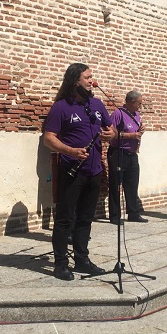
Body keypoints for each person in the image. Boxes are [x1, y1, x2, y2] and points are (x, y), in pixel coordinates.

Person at [43, 63, 116, 281]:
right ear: (76, 80)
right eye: (88, 77)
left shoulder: (96, 104)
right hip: (71, 171)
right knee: (65, 218)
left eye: (92, 77)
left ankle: (82, 259)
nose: (92, 81)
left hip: (94, 170)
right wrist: (70, 151)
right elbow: (48, 138)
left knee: (85, 217)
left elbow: (110, 130)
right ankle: (60, 263)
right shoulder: (61, 107)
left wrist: (109, 135)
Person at [107, 90, 148, 225]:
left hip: (132, 154)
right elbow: (112, 134)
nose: (140, 107)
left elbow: (136, 132)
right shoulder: (118, 114)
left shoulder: (136, 115)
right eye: (139, 104)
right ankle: (114, 215)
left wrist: (140, 132)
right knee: (115, 184)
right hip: (118, 153)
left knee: (132, 184)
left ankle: (133, 213)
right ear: (131, 102)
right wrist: (131, 136)